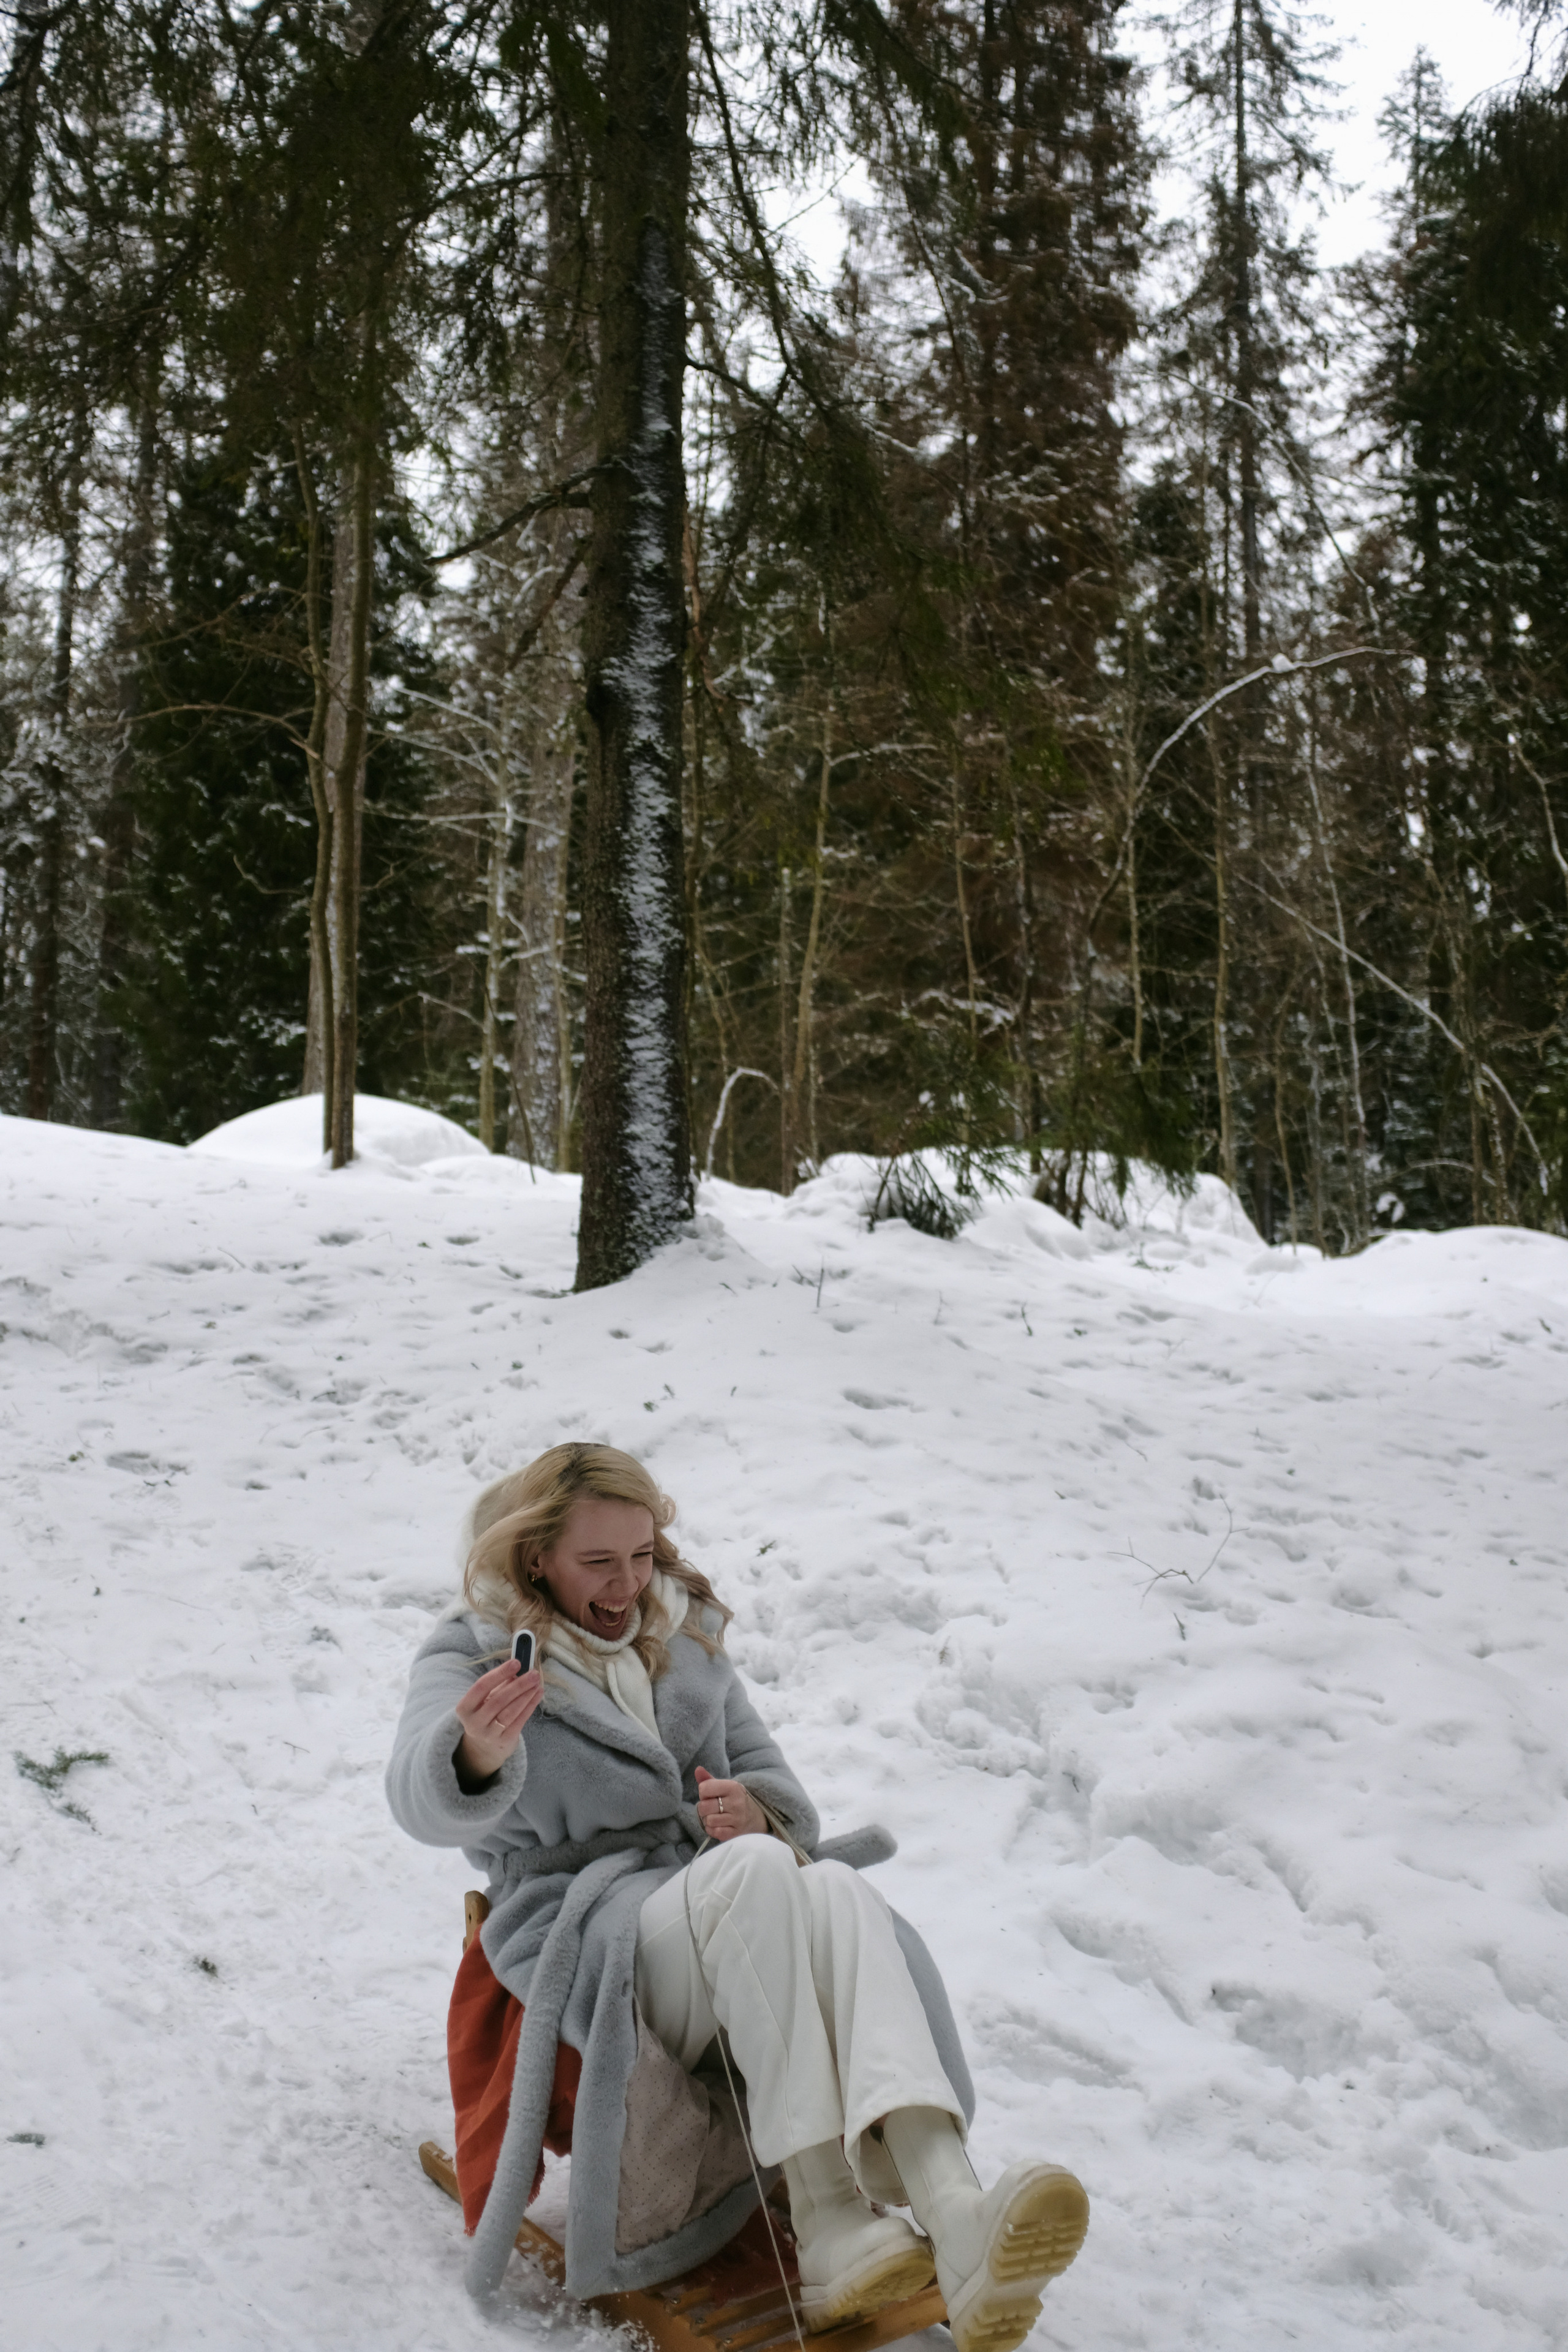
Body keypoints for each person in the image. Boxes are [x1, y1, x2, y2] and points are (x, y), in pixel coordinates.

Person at [386, 1443, 1088, 2343]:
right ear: (536, 1559)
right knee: (761, 1874)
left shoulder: (686, 1636)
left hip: (718, 1906)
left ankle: (956, 2218)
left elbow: (780, 1787)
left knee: (829, 1884)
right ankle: (831, 2220)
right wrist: (475, 1752)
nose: (627, 1583)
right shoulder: (471, 1648)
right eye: (598, 1562)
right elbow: (416, 1797)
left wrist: (759, 1810)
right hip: (590, 1931)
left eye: (642, 1556)